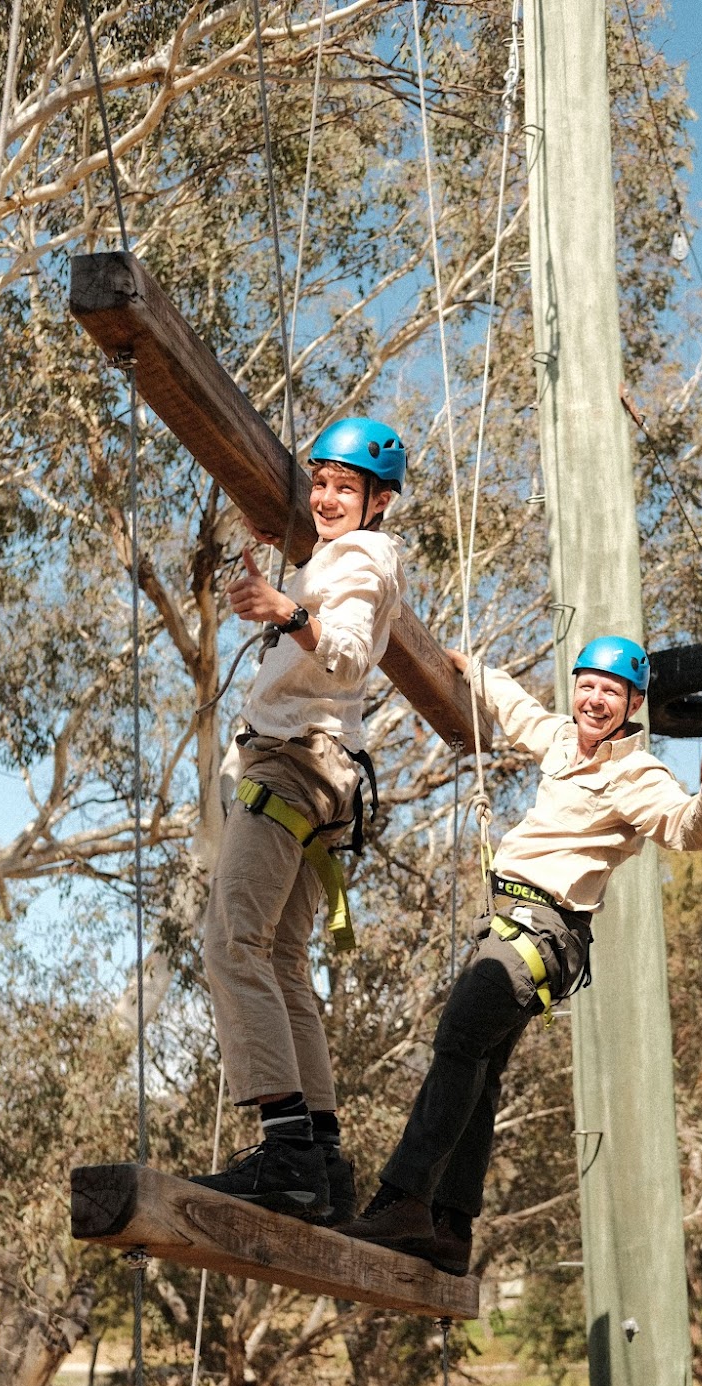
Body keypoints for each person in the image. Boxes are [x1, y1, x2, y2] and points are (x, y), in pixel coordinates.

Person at [339, 634, 702, 1271]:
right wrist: (470, 668)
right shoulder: (560, 740)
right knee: (480, 1068)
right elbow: (517, 709)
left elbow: (682, 828)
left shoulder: (637, 775)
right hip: (511, 921)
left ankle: (404, 1199)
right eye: (587, 686)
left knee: (459, 1036)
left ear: (633, 704)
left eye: (611, 692)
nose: (595, 699)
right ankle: (451, 1230)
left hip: (544, 931)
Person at [192, 417, 408, 1223]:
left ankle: (285, 1155)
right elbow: (332, 587)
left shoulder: (360, 560)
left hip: (291, 764)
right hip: (324, 776)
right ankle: (321, 1160)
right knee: (283, 961)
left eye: (345, 488)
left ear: (379, 502)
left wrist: (287, 608)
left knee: (231, 941)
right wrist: (294, 564)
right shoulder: (344, 556)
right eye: (319, 483)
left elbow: (345, 651)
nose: (325, 498)